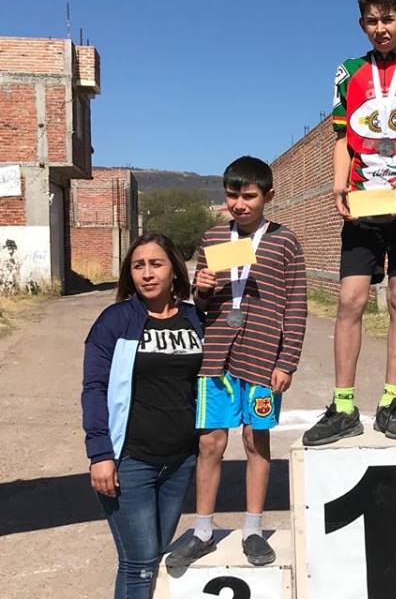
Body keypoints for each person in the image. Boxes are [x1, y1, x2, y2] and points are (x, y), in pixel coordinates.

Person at [303, 0, 396, 446]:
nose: (380, 28)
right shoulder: (348, 72)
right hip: (364, 198)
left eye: (388, 20)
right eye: (371, 21)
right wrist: (339, 186)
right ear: (361, 24)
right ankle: (343, 405)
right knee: (350, 300)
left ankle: (390, 401)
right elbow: (342, 136)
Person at [166, 156, 307, 568]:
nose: (240, 204)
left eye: (249, 196)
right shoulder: (213, 238)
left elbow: (296, 305)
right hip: (216, 356)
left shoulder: (285, 242)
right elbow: (201, 300)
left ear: (268, 196)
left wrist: (288, 360)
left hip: (264, 357)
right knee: (210, 442)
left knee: (254, 440)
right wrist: (202, 287)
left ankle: (252, 529)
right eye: (232, 195)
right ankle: (203, 529)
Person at [82, 233, 204, 598]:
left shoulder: (196, 319)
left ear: (174, 271)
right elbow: (94, 390)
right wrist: (100, 455)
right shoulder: (116, 321)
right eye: (138, 266)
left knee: (152, 558)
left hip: (180, 461)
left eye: (156, 264)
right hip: (131, 461)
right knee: (139, 563)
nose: (147, 274)